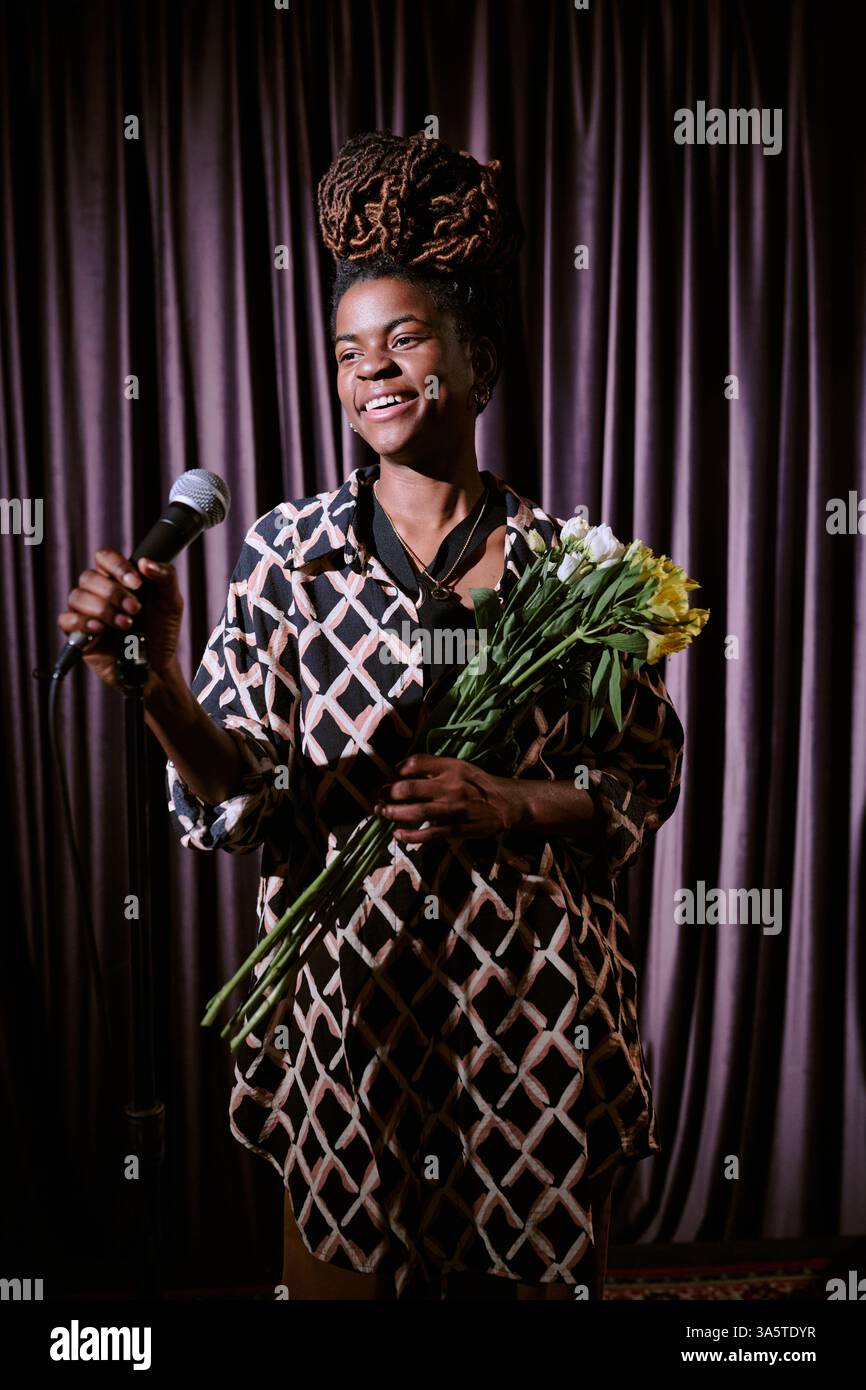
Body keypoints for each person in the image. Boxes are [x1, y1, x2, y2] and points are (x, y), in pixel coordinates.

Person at [57, 130, 685, 1301]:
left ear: (477, 363)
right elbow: (238, 799)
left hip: (535, 1022)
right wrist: (159, 690)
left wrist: (507, 801)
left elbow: (638, 784)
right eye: (349, 352)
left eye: (404, 339)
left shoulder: (575, 571)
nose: (374, 371)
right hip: (351, 1017)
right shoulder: (286, 555)